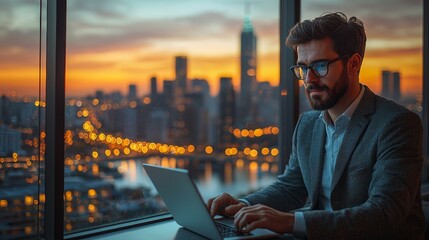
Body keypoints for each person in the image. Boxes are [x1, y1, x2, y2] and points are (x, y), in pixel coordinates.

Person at [208, 12, 425, 239]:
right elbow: (290, 187)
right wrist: (242, 204)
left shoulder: (397, 124)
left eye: (320, 66)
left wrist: (289, 222)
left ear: (353, 63)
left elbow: (383, 214)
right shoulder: (308, 124)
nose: (309, 79)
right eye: (303, 68)